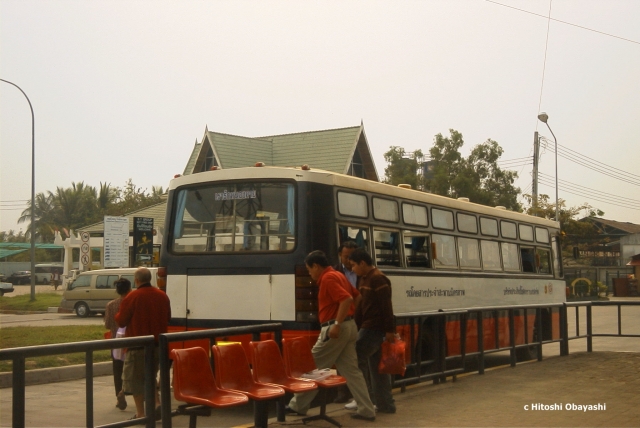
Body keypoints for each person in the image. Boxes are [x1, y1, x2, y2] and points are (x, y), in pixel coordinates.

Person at [286, 250, 376, 422]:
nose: (310, 274)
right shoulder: (339, 275)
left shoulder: (328, 278)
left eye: (310, 269)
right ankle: (367, 409)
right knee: (352, 371)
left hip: (334, 328)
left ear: (316, 266)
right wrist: (349, 318)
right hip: (349, 327)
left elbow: (346, 299)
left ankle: (298, 406)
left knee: (311, 366)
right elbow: (356, 297)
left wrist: (337, 323)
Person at [115, 267, 171, 421]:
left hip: (137, 346)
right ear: (150, 279)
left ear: (137, 280)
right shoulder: (162, 296)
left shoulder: (132, 297)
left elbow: (121, 321)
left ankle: (141, 414)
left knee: (135, 381)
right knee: (151, 376)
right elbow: (168, 317)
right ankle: (157, 404)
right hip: (158, 344)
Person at [347, 248, 396, 414]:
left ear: (362, 263)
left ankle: (365, 399)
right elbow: (361, 306)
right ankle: (384, 404)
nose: (352, 269)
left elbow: (386, 306)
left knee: (355, 359)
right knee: (377, 367)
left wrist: (390, 329)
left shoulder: (377, 279)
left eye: (353, 265)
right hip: (368, 326)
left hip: (374, 327)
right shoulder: (365, 279)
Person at [332, 240, 358, 403]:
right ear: (340, 256)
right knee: (342, 357)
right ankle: (343, 392)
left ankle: (358, 394)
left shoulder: (363, 271)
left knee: (357, 358)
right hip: (342, 318)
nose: (349, 261)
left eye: (352, 257)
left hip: (358, 318)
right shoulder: (334, 273)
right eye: (346, 257)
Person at [104, 277, 131, 411]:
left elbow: (108, 324)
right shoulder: (133, 302)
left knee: (117, 370)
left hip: (116, 342)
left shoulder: (111, 305)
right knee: (134, 368)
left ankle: (119, 395)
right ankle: (136, 393)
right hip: (132, 341)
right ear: (130, 288)